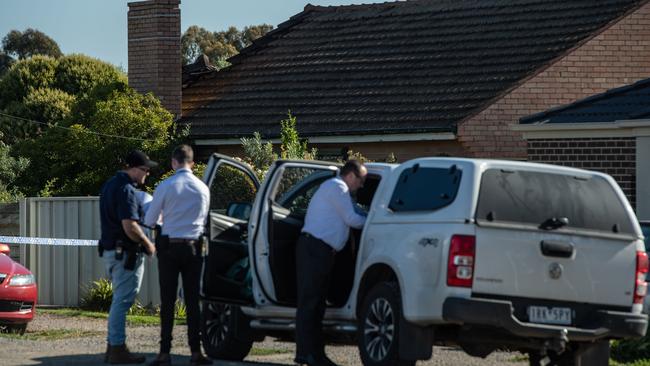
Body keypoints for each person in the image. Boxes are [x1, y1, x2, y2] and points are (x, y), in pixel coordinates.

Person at [295, 160, 368, 366]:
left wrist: (367, 214)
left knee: (316, 305)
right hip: (315, 249)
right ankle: (306, 354)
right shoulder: (338, 187)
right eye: (361, 180)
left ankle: (315, 354)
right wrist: (374, 221)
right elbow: (352, 218)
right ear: (352, 176)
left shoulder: (337, 189)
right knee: (310, 303)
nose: (361, 185)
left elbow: (355, 212)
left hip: (319, 250)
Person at [145, 145, 211, 366]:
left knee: (168, 300)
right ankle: (196, 351)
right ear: (192, 163)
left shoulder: (166, 186)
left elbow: (150, 220)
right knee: (193, 301)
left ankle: (164, 352)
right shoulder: (203, 188)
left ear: (174, 162)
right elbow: (204, 220)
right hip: (194, 247)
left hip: (170, 247)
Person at [99, 150, 157, 364]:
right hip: (124, 253)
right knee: (123, 301)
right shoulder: (126, 190)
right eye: (144, 170)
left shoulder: (109, 186)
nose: (147, 174)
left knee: (119, 300)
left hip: (111, 251)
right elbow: (129, 225)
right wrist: (148, 243)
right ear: (132, 168)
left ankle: (112, 346)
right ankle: (117, 348)